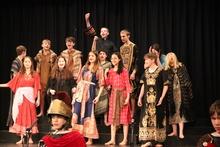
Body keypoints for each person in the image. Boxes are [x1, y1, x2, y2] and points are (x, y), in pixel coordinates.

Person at [0, 56, 41, 144]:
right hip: (21, 99)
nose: (27, 63)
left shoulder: (35, 74)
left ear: (31, 63)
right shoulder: (20, 74)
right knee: (22, 117)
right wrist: (0, 85)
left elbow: (38, 87)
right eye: (25, 62)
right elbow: (10, 83)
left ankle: (30, 138)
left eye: (28, 62)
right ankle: (22, 138)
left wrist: (39, 99)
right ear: (23, 63)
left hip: (31, 98)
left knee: (31, 117)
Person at [71, 51, 104, 145]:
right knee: (76, 112)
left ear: (96, 57)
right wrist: (76, 91)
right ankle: (77, 136)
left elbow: (102, 84)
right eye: (89, 55)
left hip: (90, 92)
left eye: (92, 56)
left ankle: (89, 138)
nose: (90, 57)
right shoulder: (84, 67)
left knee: (89, 113)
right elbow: (79, 80)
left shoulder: (99, 68)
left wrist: (98, 96)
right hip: (80, 92)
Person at [137, 53, 168, 147]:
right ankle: (148, 140)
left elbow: (165, 85)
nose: (145, 61)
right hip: (147, 101)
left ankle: (158, 141)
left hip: (157, 100)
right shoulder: (146, 72)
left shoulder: (161, 71)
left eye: (147, 60)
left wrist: (162, 98)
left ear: (153, 60)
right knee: (146, 119)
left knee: (158, 119)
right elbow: (143, 85)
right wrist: (140, 97)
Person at [104, 52, 132, 146]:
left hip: (123, 94)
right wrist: (105, 74)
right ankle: (112, 139)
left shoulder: (124, 70)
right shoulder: (111, 71)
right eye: (112, 58)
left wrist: (128, 97)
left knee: (124, 119)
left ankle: (125, 139)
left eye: (115, 58)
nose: (113, 60)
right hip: (114, 95)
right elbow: (108, 83)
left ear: (119, 59)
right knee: (113, 118)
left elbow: (128, 85)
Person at [165, 52, 194, 139]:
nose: (171, 61)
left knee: (180, 112)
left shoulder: (181, 67)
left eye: (172, 59)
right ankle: (174, 131)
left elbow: (187, 80)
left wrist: (189, 92)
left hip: (180, 93)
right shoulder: (166, 69)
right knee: (172, 112)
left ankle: (181, 132)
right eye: (169, 59)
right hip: (171, 94)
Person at [120, 29, 139, 120]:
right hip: (123, 73)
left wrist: (134, 72)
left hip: (131, 72)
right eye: (121, 36)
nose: (122, 38)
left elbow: (137, 61)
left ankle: (133, 113)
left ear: (128, 36)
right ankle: (125, 112)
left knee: (132, 94)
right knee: (124, 92)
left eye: (124, 36)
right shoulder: (121, 48)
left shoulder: (133, 46)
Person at [34, 39, 57, 117]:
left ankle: (51, 111)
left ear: (50, 46)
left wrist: (53, 78)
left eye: (48, 44)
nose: (47, 45)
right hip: (41, 78)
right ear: (42, 45)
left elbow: (54, 68)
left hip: (50, 78)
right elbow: (37, 67)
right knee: (41, 96)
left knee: (50, 95)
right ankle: (41, 112)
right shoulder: (39, 55)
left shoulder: (53, 55)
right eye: (45, 44)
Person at [7, 45, 27, 127]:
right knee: (13, 105)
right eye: (25, 52)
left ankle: (18, 124)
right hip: (16, 86)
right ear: (23, 52)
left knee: (19, 105)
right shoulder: (16, 62)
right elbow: (15, 75)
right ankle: (11, 125)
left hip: (21, 87)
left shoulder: (21, 61)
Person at [94, 49, 112, 126]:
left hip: (104, 86)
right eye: (100, 54)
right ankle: (94, 122)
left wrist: (109, 84)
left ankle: (105, 120)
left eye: (103, 54)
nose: (101, 55)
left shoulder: (109, 64)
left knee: (105, 103)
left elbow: (111, 75)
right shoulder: (96, 64)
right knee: (95, 103)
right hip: (96, 85)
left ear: (106, 56)